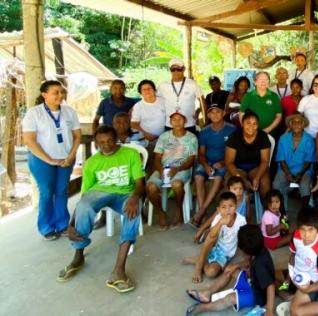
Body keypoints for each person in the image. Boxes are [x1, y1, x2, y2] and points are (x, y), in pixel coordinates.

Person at [57, 126, 144, 294]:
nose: (107, 145)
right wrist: (71, 224)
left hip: (125, 193)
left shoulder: (130, 154)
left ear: (116, 138)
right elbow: (84, 197)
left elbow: (140, 184)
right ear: (96, 143)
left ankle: (119, 269)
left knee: (133, 211)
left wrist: (135, 197)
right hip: (99, 192)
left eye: (110, 140)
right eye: (102, 142)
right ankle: (78, 255)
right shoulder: (91, 163)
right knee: (84, 205)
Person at [23, 80, 81, 240]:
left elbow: (77, 136)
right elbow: (29, 140)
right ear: (44, 95)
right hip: (42, 161)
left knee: (62, 191)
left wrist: (71, 156)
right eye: (55, 92)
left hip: (66, 159)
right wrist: (49, 160)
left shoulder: (69, 112)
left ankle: (62, 224)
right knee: (47, 192)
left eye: (62, 92)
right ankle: (46, 227)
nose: (60, 95)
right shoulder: (34, 113)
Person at [184, 224, 276, 316]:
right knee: (230, 271)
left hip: (256, 295)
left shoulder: (261, 265)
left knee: (230, 298)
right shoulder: (258, 248)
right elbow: (249, 262)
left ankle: (202, 307)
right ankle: (208, 293)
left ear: (246, 250)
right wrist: (236, 266)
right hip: (251, 281)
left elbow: (270, 286)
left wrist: (269, 310)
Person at [146, 111, 198, 229]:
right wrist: (161, 171)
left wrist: (177, 169)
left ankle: (179, 211)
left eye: (180, 119)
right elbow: (157, 157)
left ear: (185, 121)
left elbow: (191, 160)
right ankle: (160, 213)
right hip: (163, 168)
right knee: (150, 186)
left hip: (182, 168)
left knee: (177, 184)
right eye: (174, 120)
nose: (177, 122)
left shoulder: (191, 138)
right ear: (170, 122)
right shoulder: (164, 136)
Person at [193, 100, 237, 226]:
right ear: (208, 115)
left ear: (223, 113)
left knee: (218, 178)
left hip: (224, 163)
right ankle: (204, 212)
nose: (215, 115)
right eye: (212, 113)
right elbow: (201, 154)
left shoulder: (232, 129)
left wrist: (223, 162)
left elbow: (235, 152)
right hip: (207, 162)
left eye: (218, 112)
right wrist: (206, 165)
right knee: (198, 177)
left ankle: (200, 213)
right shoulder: (204, 131)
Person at [191, 192, 247, 283]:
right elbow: (212, 235)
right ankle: (199, 265)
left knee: (211, 272)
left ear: (236, 207)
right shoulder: (218, 218)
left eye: (231, 206)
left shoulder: (241, 220)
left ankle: (198, 260)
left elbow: (244, 238)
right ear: (219, 209)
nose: (227, 210)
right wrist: (220, 223)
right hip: (216, 249)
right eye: (223, 207)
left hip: (227, 254)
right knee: (211, 273)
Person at [225, 111, 271, 214]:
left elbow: (264, 161)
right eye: (248, 123)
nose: (251, 126)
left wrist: (257, 178)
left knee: (265, 184)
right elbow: (229, 162)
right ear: (242, 124)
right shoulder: (234, 136)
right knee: (231, 183)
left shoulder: (263, 136)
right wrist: (241, 178)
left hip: (256, 167)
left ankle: (267, 215)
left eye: (255, 124)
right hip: (238, 168)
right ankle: (231, 216)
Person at [273, 113, 315, 208]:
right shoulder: (283, 139)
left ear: (303, 124)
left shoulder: (309, 139)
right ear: (290, 125)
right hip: (285, 170)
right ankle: (282, 213)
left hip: (304, 171)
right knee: (277, 184)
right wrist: (288, 173)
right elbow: (281, 158)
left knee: (305, 184)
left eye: (299, 122)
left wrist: (300, 174)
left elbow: (308, 161)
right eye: (294, 122)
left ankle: (305, 212)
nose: (296, 124)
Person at [193, 176, 250, 243]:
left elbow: (248, 214)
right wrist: (201, 229)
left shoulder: (245, 198)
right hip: (225, 224)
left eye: (241, 189)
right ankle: (206, 231)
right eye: (235, 189)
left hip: (238, 225)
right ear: (229, 190)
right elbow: (214, 216)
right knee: (212, 234)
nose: (238, 192)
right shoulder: (226, 202)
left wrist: (247, 227)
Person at [157, 58, 204, 133]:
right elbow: (156, 101)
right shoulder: (162, 85)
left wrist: (199, 113)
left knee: (189, 144)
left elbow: (202, 100)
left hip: (189, 124)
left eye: (178, 69)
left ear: (183, 69)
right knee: (170, 144)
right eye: (173, 69)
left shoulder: (193, 84)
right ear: (170, 70)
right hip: (170, 124)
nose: (176, 71)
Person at [240, 71, 282, 137]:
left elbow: (279, 115)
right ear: (255, 82)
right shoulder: (248, 96)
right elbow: (242, 114)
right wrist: (246, 129)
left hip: (270, 132)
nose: (263, 82)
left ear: (268, 83)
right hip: (251, 132)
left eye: (266, 80)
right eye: (261, 79)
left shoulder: (274, 96)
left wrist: (268, 129)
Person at [131, 79, 167, 145]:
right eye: (144, 89)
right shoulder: (138, 106)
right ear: (140, 92)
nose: (147, 91)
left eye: (149, 88)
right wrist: (146, 134)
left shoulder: (163, 101)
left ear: (154, 90)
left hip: (164, 138)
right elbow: (134, 124)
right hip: (147, 139)